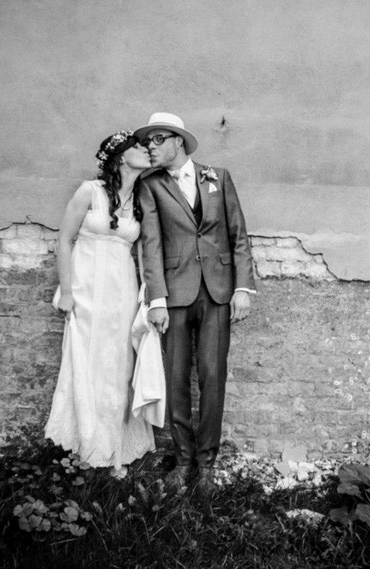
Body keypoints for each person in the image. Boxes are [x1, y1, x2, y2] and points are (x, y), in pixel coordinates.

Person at [134, 112, 256, 495]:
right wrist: (155, 299)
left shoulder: (218, 177)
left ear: (178, 142)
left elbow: (238, 236)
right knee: (175, 379)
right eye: (148, 141)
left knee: (212, 375)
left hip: (218, 292)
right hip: (173, 294)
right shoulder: (150, 185)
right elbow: (150, 243)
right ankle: (183, 458)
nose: (150, 147)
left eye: (157, 140)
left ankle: (207, 463)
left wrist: (244, 289)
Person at [44, 130, 156, 476]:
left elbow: (143, 253)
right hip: (86, 289)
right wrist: (66, 290)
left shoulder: (141, 199)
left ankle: (113, 450)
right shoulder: (88, 192)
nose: (146, 149)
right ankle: (86, 447)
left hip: (121, 291)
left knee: (118, 364)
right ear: (121, 156)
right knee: (85, 363)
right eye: (138, 147)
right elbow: (64, 239)